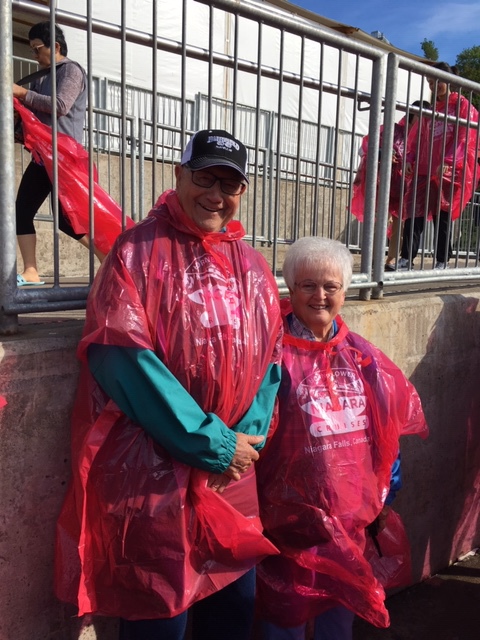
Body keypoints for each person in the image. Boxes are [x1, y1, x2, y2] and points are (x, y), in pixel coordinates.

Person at [54, 129, 283, 640]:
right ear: (179, 175)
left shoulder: (252, 265)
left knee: (232, 608)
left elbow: (272, 357)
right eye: (205, 178)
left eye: (229, 183)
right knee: (160, 613)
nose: (216, 194)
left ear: (243, 191)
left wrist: (247, 441)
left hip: (231, 474)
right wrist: (214, 443)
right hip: (155, 473)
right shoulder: (135, 253)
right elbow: (123, 357)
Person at [255, 237, 428, 639]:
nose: (320, 296)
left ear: (345, 291)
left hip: (348, 516)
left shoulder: (362, 357)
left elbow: (387, 432)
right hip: (286, 519)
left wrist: (385, 495)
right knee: (285, 611)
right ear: (291, 287)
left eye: (330, 286)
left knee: (339, 613)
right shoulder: (269, 354)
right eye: (308, 285)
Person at [13, 21, 103, 285]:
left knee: (66, 220)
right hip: (42, 156)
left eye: (37, 48)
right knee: (22, 212)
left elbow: (61, 105)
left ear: (55, 46)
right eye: (31, 49)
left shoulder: (71, 71)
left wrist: (21, 92)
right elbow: (34, 115)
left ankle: (108, 256)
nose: (34, 55)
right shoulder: (41, 77)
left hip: (64, 157)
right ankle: (31, 271)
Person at [398, 62, 479, 270]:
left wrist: (449, 161)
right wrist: (409, 158)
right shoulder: (431, 111)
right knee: (413, 211)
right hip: (424, 169)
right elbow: (416, 138)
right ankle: (406, 258)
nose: (434, 86)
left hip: (448, 171)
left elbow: (464, 138)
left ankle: (442, 260)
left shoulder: (462, 106)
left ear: (449, 80)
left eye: (438, 81)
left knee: (442, 216)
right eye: (430, 82)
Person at [350, 102, 429, 271]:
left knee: (400, 226)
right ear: (412, 114)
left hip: (406, 188)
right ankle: (373, 257)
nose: (423, 120)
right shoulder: (393, 130)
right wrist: (383, 155)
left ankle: (391, 259)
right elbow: (368, 148)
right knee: (379, 221)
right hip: (385, 183)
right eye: (420, 115)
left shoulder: (423, 140)